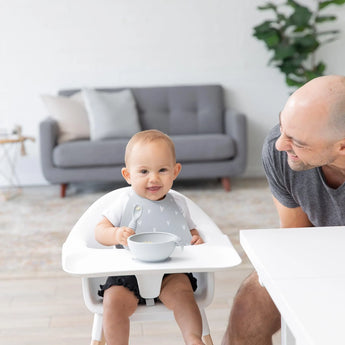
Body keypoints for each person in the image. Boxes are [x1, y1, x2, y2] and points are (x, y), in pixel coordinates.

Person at [222, 74, 345, 345]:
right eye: (282, 126)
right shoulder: (280, 152)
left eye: (298, 142)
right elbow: (295, 239)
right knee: (250, 303)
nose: (281, 143)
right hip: (319, 252)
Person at [95, 129, 205, 345]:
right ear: (128, 175)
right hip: (127, 274)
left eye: (162, 170)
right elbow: (99, 231)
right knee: (113, 302)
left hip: (170, 272)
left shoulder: (179, 204)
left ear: (175, 171)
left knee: (184, 296)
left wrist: (195, 240)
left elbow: (190, 231)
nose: (153, 178)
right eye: (144, 171)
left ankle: (193, 339)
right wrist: (116, 234)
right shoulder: (124, 202)